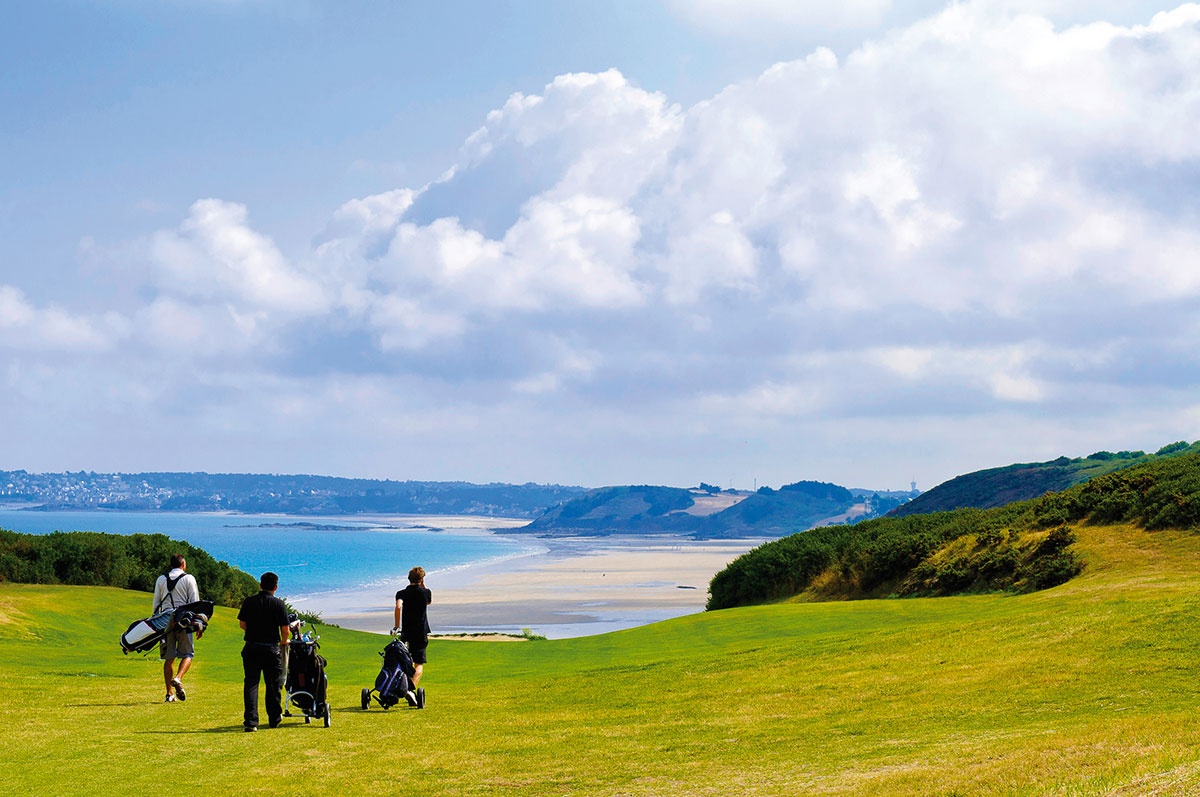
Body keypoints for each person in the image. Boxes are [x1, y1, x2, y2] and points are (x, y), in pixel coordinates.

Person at [237, 571, 291, 732]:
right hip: (271, 649)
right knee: (273, 685)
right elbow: (286, 630)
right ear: (275, 587)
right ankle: (274, 718)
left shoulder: (249, 601)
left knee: (251, 684)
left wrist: (253, 632)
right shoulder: (279, 604)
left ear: (260, 585)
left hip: (251, 646)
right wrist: (282, 642)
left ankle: (251, 721)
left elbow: (242, 624)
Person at [153, 553, 199, 703]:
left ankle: (169, 694)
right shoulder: (189, 578)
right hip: (183, 620)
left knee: (169, 658)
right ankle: (178, 678)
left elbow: (156, 604)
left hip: (165, 621)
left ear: (171, 565)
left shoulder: (161, 579)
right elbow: (194, 603)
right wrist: (198, 625)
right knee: (188, 653)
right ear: (183, 564)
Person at [394, 566, 431, 708]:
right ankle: (409, 690)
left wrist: (397, 626)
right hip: (420, 631)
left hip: (406, 632)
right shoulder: (425, 593)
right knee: (419, 664)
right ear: (421, 579)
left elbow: (398, 607)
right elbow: (428, 602)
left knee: (403, 660)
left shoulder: (401, 593)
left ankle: (402, 686)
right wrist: (423, 585)